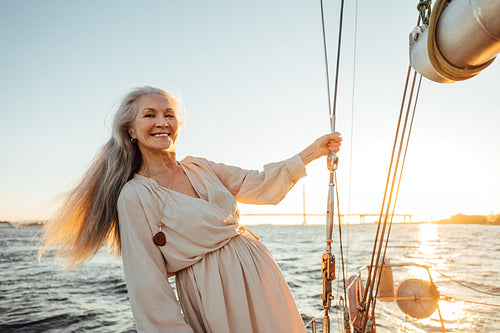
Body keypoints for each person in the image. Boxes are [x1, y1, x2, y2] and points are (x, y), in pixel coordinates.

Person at [39, 86, 342, 333]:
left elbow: (260, 185)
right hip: (214, 295)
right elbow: (148, 284)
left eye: (169, 114)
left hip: (261, 275)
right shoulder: (135, 195)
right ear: (131, 131)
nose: (162, 122)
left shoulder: (201, 167)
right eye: (150, 115)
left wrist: (313, 151)